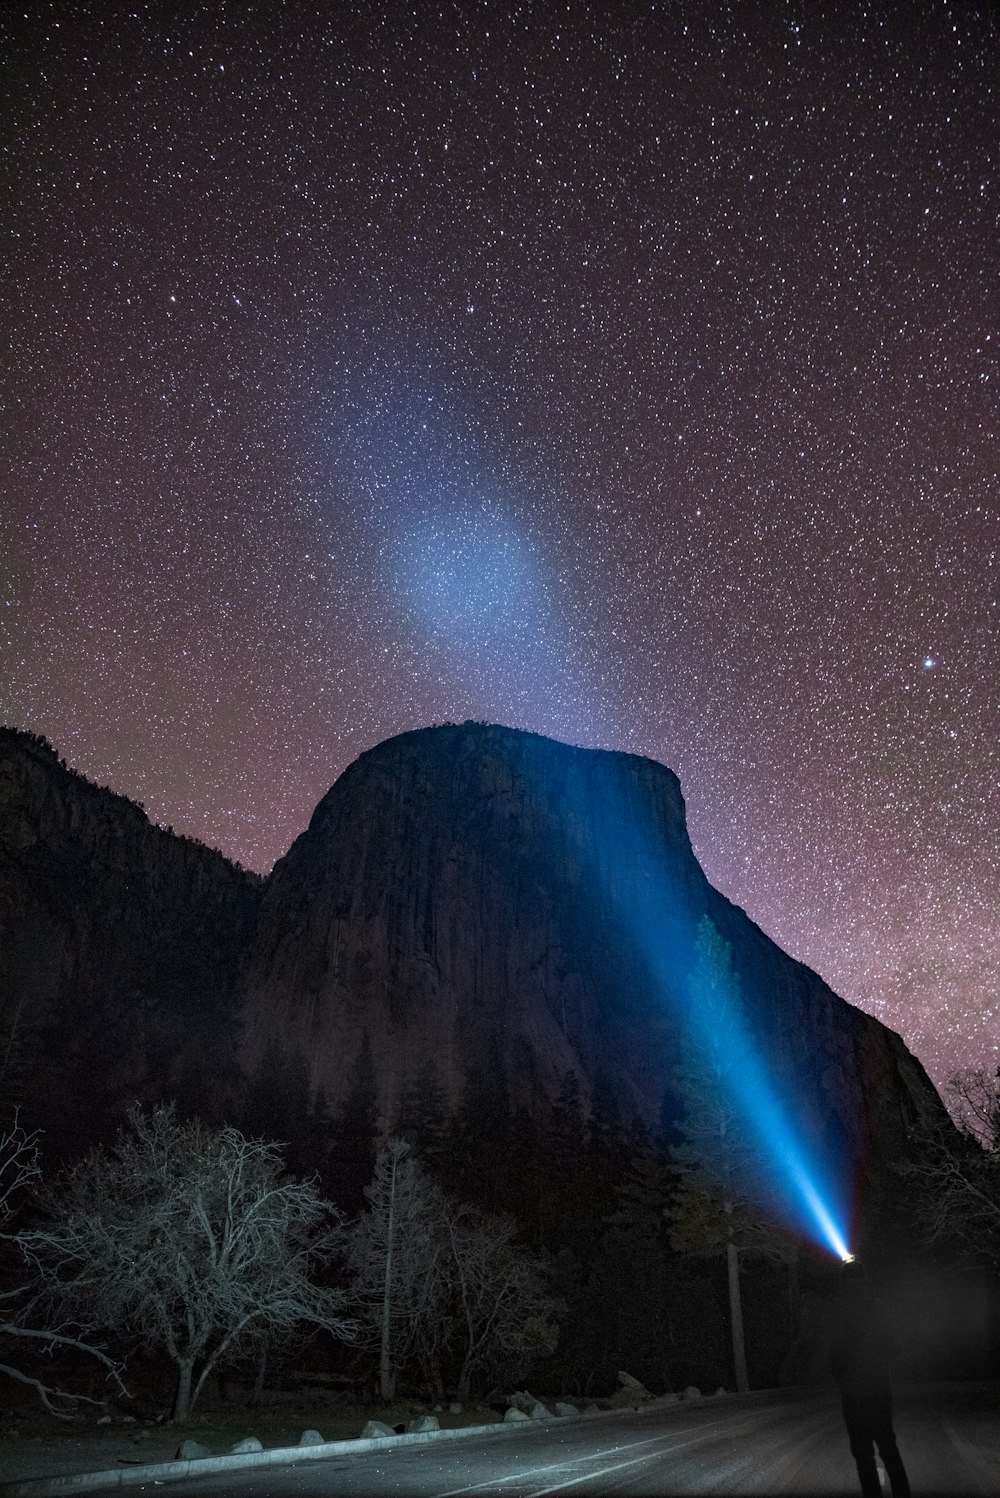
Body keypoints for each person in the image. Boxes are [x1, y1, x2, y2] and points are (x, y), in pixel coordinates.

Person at [828, 1257, 911, 1497]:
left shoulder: (837, 1309)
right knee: (888, 1446)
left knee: (863, 1453)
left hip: (853, 1391)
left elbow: (833, 1352)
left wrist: (841, 1379)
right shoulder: (878, 1307)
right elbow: (895, 1346)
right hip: (878, 1387)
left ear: (842, 1281)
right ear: (865, 1279)